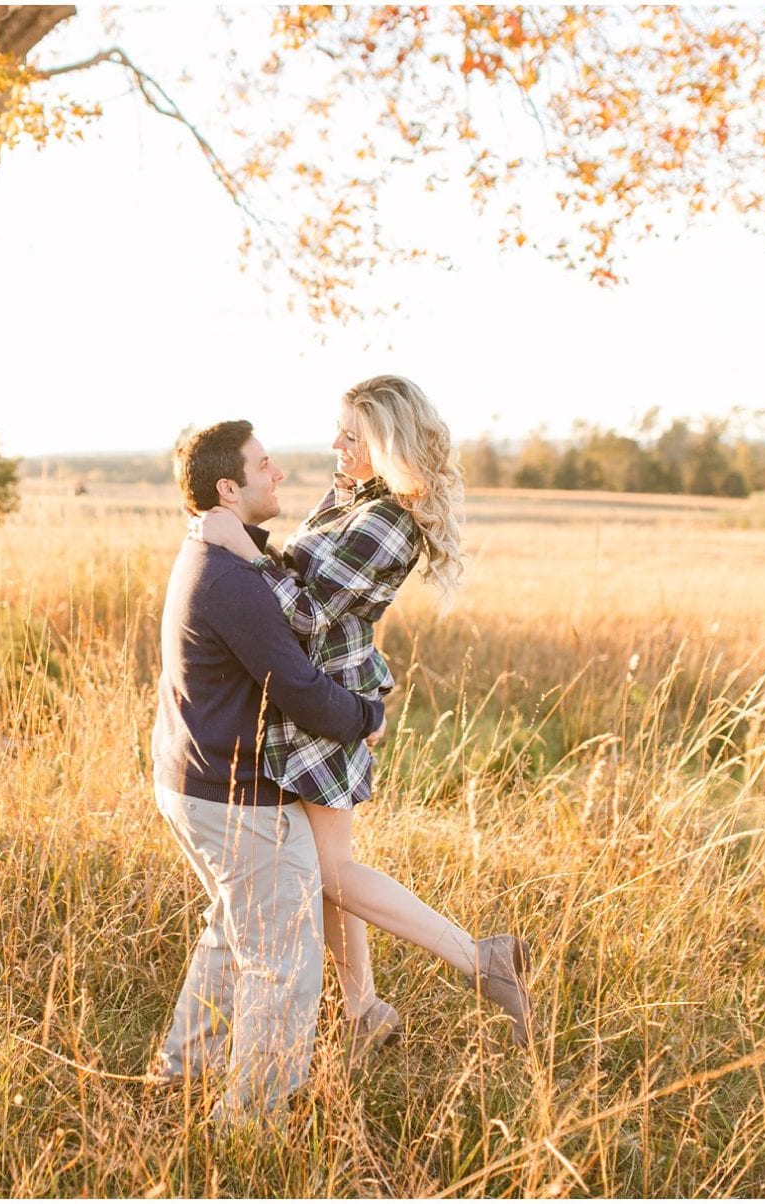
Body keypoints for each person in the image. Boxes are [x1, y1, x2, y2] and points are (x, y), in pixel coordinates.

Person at [195, 375, 535, 1053]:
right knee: (328, 868)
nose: (336, 445)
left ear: (385, 444)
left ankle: (479, 959)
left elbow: (307, 612)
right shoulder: (352, 495)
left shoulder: (388, 521)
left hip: (327, 703)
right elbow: (298, 567)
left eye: (352, 436)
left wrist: (242, 551)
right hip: (306, 694)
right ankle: (362, 1012)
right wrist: (259, 551)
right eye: (340, 431)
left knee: (327, 872)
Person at [150, 420, 388, 1125]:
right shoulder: (231, 580)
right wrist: (365, 717)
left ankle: (183, 1073)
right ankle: (251, 1124)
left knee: (234, 932)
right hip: (232, 796)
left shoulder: (217, 554)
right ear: (228, 487)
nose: (279, 474)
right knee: (285, 962)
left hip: (192, 780)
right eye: (264, 466)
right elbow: (300, 688)